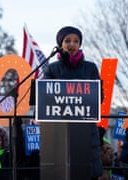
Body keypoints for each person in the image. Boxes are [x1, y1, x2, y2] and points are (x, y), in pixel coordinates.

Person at [43, 26, 103, 179]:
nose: (72, 44)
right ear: (60, 44)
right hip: (59, 131)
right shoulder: (52, 68)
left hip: (86, 130)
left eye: (76, 41)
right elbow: (44, 97)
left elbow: (99, 97)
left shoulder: (91, 68)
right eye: (67, 41)